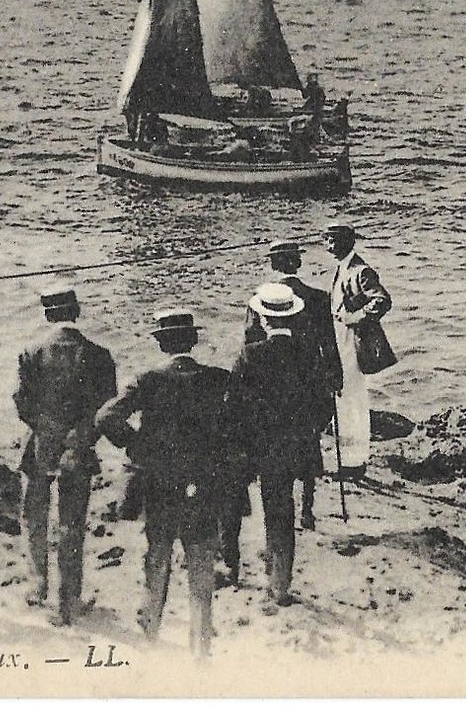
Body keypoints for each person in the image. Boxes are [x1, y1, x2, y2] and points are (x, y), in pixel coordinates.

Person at [97, 310, 246, 659]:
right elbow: (242, 427)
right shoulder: (219, 380)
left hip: (160, 481)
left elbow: (106, 416)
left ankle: (151, 630)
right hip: (203, 483)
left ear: (161, 343)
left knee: (157, 555)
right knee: (201, 561)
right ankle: (200, 646)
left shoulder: (147, 380)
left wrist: (136, 445)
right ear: (193, 342)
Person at [13, 286, 118, 625]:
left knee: (35, 516)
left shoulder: (31, 351)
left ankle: (37, 584)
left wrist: (45, 429)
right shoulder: (99, 355)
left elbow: (21, 401)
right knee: (72, 523)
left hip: (41, 445)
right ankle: (69, 596)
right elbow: (108, 407)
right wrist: (83, 435)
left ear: (48, 315)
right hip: (79, 448)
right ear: (78, 311)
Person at [236, 283, 331, 611]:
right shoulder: (308, 353)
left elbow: (235, 403)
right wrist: (308, 431)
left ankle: (274, 582)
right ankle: (282, 580)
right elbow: (325, 402)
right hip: (300, 444)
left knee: (272, 508)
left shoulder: (251, 355)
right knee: (286, 510)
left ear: (262, 319)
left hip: (264, 446)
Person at [245, 240, 343, 529]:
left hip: (270, 383)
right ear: (297, 263)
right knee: (308, 439)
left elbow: (250, 341)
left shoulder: (259, 299)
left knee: (273, 443)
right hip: (308, 381)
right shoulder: (317, 297)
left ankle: (276, 508)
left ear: (273, 264)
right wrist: (335, 375)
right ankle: (307, 510)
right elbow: (329, 343)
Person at [324, 223, 393, 477]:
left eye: (332, 240)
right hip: (342, 341)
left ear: (346, 242)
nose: (328, 246)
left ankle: (354, 463)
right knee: (345, 399)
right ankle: (351, 460)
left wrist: (356, 317)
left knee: (352, 399)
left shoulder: (361, 271)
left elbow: (382, 301)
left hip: (353, 342)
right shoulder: (343, 268)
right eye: (327, 240)